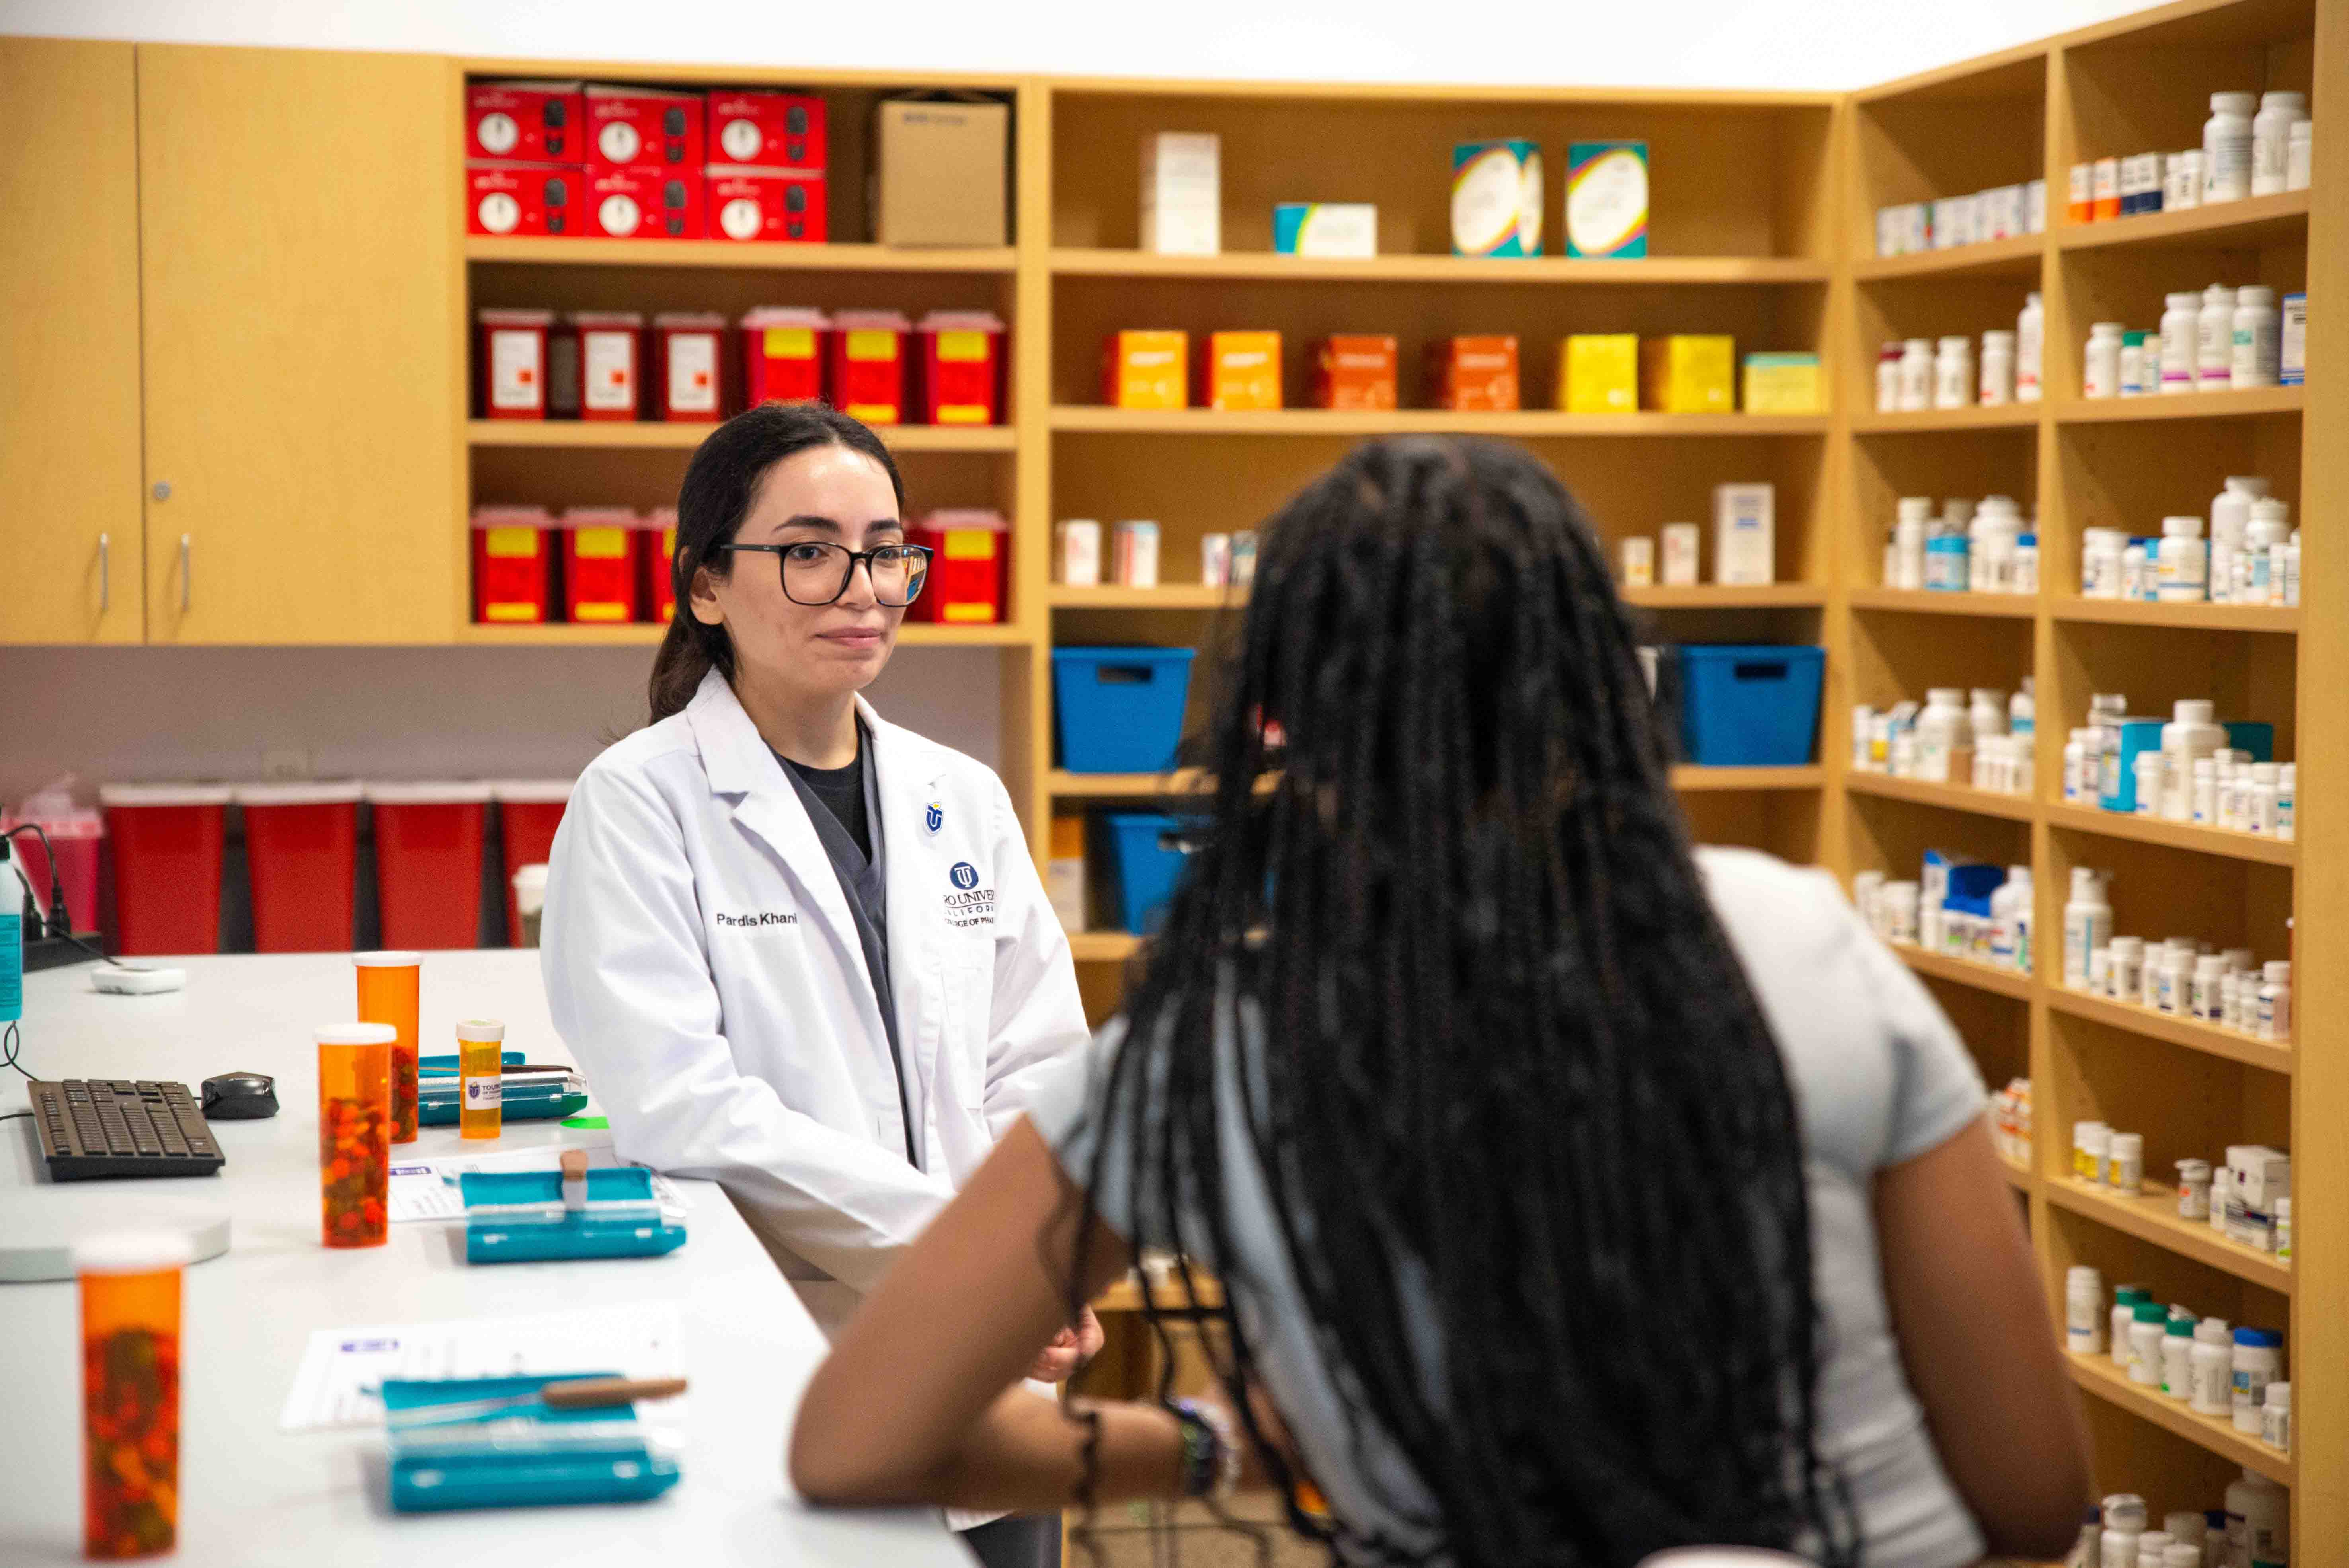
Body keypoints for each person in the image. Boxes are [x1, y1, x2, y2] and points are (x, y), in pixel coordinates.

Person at [787, 437, 2093, 1568]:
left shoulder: (1214, 1046)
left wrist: (1225, 1445)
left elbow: (859, 1436)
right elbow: (2036, 1495)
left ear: (1278, 717)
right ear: (1601, 681)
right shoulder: (1803, 937)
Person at [542, 402, 1093, 1568]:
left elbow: (1039, 1063)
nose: (864, 586)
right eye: (808, 551)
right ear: (704, 584)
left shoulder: (964, 797)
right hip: (782, 1363)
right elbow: (681, 1103)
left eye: (887, 549)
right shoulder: (640, 802)